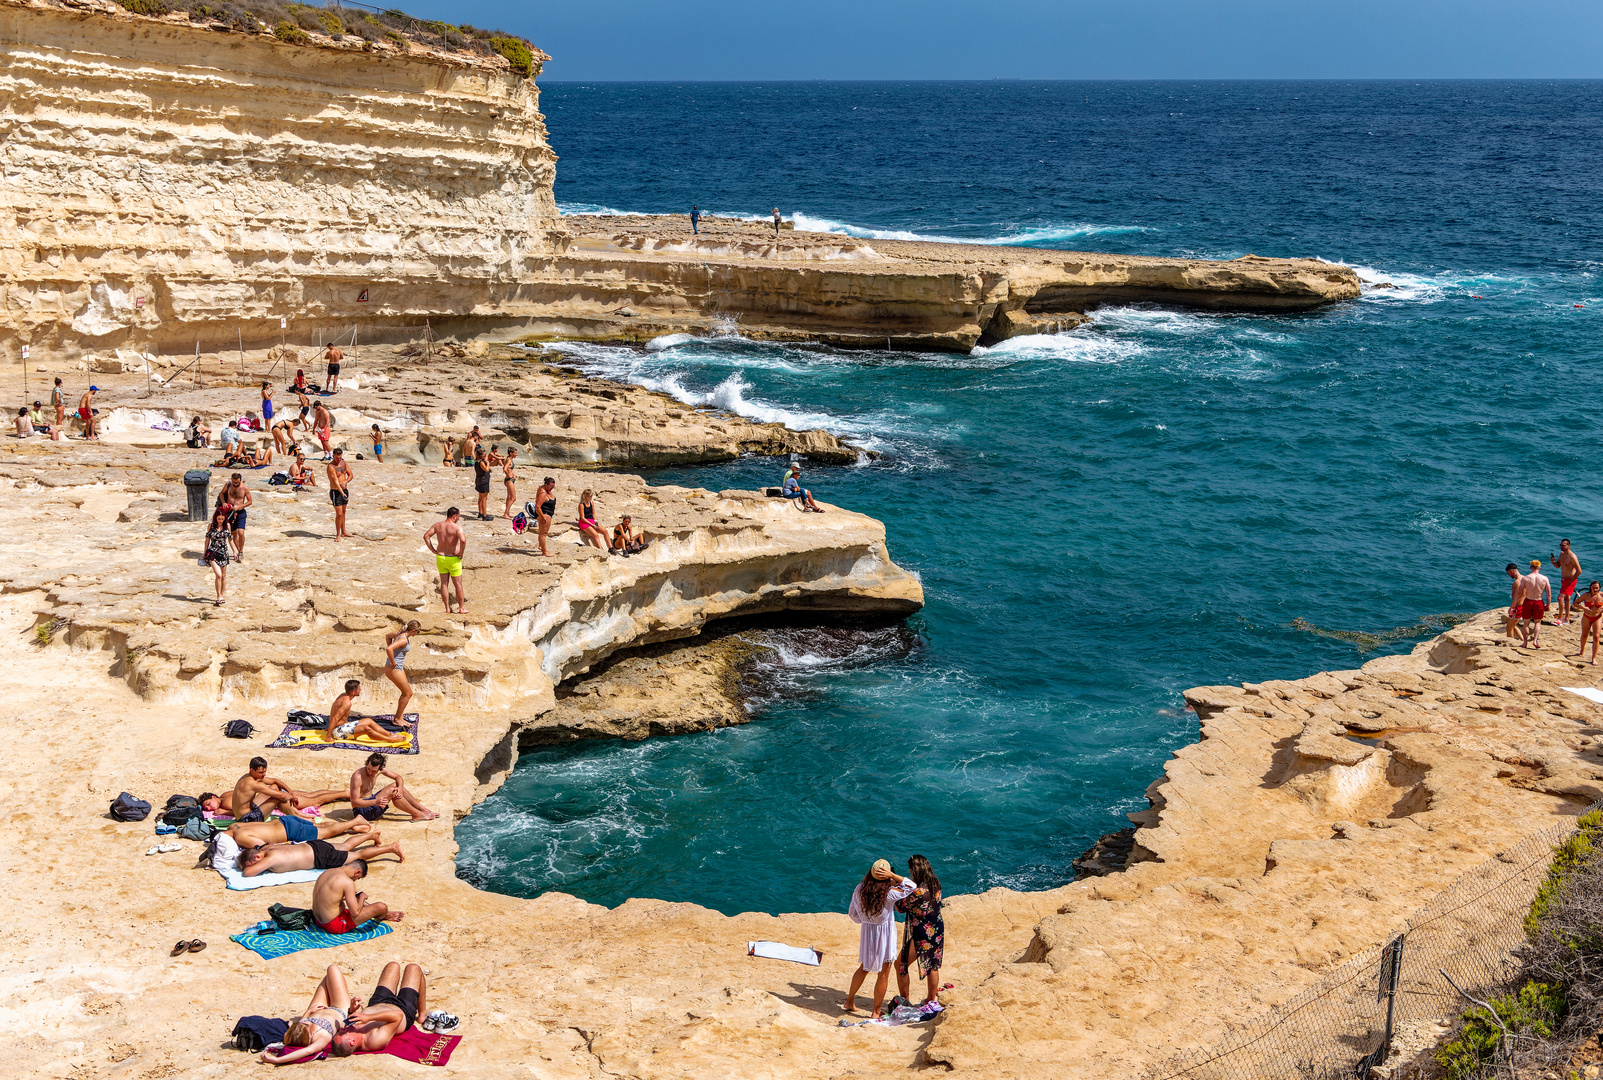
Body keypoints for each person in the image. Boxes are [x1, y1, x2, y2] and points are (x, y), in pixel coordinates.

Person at [843, 860, 917, 1018]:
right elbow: (911, 886)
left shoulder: (860, 889)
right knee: (883, 973)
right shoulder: (889, 893)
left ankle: (849, 1001)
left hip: (867, 932)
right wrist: (893, 876)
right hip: (884, 934)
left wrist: (866, 920)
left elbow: (853, 914)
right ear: (886, 875)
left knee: (864, 968)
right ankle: (876, 1011)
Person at [259, 964, 354, 1065]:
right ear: (308, 1036)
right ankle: (347, 1005)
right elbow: (308, 1051)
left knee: (329, 978)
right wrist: (276, 1060)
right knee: (332, 969)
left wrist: (308, 1013)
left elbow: (292, 1032)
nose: (306, 1023)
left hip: (316, 1009)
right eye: (306, 1025)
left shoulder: (295, 1033)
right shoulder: (321, 1038)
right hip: (339, 1008)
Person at [332, 962, 428, 1055]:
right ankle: (422, 1014)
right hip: (403, 1008)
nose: (341, 1030)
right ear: (352, 1042)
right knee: (413, 968)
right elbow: (398, 1015)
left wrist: (352, 1010)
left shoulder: (351, 1030)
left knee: (392, 966)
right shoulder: (374, 1041)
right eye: (342, 1034)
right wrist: (368, 1018)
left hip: (377, 1002)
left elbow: (351, 1017)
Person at [894, 854, 945, 1008]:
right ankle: (931, 999)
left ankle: (905, 1001)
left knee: (900, 964)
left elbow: (900, 907)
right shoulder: (935, 883)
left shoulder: (917, 893)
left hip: (922, 934)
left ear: (914, 870)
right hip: (937, 929)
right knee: (933, 965)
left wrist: (895, 887)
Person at [241, 828, 402, 877]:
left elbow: (248, 873)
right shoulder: (265, 848)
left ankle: (390, 848)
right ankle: (371, 835)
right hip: (314, 846)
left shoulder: (270, 858)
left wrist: (247, 867)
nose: (258, 866)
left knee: (357, 856)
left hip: (319, 857)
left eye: (255, 862)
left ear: (256, 857)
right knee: (345, 845)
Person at [229, 756, 345, 822]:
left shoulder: (248, 777)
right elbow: (281, 796)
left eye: (264, 772)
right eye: (261, 773)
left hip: (249, 810)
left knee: (274, 788)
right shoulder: (253, 784)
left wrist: (290, 792)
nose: (263, 775)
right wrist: (291, 796)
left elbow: (275, 781)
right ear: (252, 770)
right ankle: (298, 816)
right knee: (278, 798)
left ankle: (297, 814)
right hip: (247, 820)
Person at [310, 860, 402, 935]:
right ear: (357, 872)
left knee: (354, 899)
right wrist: (362, 897)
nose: (355, 880)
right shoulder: (347, 882)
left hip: (317, 919)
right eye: (357, 878)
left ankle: (380, 914)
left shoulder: (327, 872)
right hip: (333, 925)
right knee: (381, 907)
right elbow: (355, 913)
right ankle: (384, 915)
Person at [350, 751, 437, 822]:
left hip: (372, 801)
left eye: (374, 771)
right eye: (368, 769)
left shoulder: (380, 770)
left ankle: (423, 810)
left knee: (396, 786)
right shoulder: (358, 776)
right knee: (393, 792)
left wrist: (400, 788)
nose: (370, 773)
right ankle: (417, 814)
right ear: (367, 764)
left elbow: (398, 777)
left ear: (380, 768)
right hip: (362, 811)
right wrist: (375, 802)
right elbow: (354, 802)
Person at [228, 814, 369, 851]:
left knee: (325, 833)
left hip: (290, 831)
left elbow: (264, 846)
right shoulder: (233, 826)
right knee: (318, 826)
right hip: (284, 821)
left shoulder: (240, 837)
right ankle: (350, 827)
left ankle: (355, 821)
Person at [424, 507, 468, 613]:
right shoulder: (457, 527)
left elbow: (426, 536)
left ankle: (447, 608)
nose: (459, 519)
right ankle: (461, 608)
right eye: (458, 517)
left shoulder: (438, 525)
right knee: (458, 584)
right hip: (453, 558)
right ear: (454, 516)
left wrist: (433, 550)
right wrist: (461, 552)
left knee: (444, 583)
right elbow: (463, 540)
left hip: (441, 557)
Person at [326, 679, 393, 743]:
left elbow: (334, 711)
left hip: (343, 726)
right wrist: (328, 736)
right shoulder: (347, 703)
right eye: (358, 689)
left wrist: (330, 727)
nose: (360, 690)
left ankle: (389, 734)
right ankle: (389, 739)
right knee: (366, 729)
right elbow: (335, 718)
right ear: (353, 692)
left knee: (369, 721)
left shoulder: (343, 695)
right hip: (338, 732)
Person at [382, 621, 421, 725]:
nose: (417, 634)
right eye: (418, 632)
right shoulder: (403, 639)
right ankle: (397, 720)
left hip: (396, 667)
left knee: (405, 693)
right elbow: (389, 648)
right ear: (413, 631)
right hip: (393, 668)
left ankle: (399, 718)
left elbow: (388, 636)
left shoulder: (399, 634)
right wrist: (393, 661)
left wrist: (393, 654)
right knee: (408, 694)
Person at [1512, 558, 1552, 649]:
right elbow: (1548, 593)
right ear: (1539, 568)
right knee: (1537, 622)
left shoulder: (1526, 578)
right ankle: (1535, 640)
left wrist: (1515, 603)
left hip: (1528, 601)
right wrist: (1548, 605)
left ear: (1530, 567)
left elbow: (1519, 592)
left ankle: (1525, 643)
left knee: (1526, 623)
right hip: (1539, 601)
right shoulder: (1544, 578)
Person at [219, 472, 253, 563]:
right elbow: (221, 494)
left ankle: (241, 550)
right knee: (233, 533)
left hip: (240, 512)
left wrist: (240, 506)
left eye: (237, 483)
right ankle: (239, 551)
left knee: (241, 532)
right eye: (234, 482)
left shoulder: (245, 488)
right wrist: (224, 503)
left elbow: (250, 501)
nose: (235, 484)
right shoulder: (228, 485)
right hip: (229, 512)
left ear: (240, 481)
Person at [203, 503, 232, 605]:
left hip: (224, 553)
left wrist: (235, 552)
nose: (220, 521)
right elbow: (207, 540)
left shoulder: (227, 526)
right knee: (218, 575)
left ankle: (221, 595)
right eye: (219, 519)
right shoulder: (210, 526)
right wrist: (204, 552)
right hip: (213, 553)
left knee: (223, 576)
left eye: (222, 519)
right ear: (215, 518)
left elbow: (230, 540)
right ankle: (218, 595)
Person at [1553, 540, 1583, 626]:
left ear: (1569, 546)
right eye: (1561, 545)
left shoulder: (1572, 557)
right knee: (1567, 599)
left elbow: (1579, 571)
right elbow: (1558, 566)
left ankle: (1560, 618)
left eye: (1563, 545)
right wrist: (1553, 562)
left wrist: (1571, 581)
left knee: (1560, 598)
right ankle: (1567, 619)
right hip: (1564, 580)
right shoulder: (1562, 554)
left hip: (1570, 581)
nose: (1561, 547)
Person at [1574, 582, 1603, 665]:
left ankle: (1594, 658)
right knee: (1584, 635)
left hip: (1597, 617)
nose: (1595, 590)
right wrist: (1583, 607)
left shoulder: (1601, 595)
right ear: (1590, 588)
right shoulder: (1586, 595)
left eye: (1596, 588)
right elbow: (1575, 603)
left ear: (1599, 588)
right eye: (1593, 588)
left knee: (1596, 637)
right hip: (1587, 617)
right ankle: (1582, 650)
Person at [327, 447, 353, 540]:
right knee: (339, 514)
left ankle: (344, 531)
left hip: (344, 490)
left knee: (343, 513)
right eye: (337, 458)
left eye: (340, 458)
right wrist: (342, 493)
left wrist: (345, 482)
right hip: (336, 492)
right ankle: (338, 534)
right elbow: (335, 482)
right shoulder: (331, 466)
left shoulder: (344, 463)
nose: (338, 460)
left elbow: (350, 475)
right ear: (333, 456)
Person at [528, 476, 557, 557]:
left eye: (553, 487)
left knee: (542, 533)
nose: (551, 488)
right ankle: (545, 552)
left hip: (547, 514)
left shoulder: (543, 488)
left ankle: (541, 546)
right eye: (550, 486)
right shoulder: (543, 493)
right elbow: (537, 507)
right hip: (545, 514)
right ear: (546, 484)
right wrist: (542, 517)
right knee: (543, 534)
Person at [472, 445, 493, 520]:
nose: (486, 456)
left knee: (480, 498)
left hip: (479, 481)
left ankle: (480, 513)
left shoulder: (477, 462)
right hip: (483, 481)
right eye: (484, 455)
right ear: (481, 456)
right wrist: (487, 462)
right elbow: (486, 469)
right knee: (484, 498)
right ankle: (485, 515)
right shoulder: (481, 462)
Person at [501, 446, 519, 518]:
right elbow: (505, 469)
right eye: (515, 453)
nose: (516, 455)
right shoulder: (509, 460)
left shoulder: (509, 458)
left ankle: (507, 513)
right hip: (509, 480)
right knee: (513, 498)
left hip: (510, 480)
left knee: (509, 497)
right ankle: (505, 513)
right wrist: (508, 475)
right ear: (511, 453)